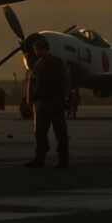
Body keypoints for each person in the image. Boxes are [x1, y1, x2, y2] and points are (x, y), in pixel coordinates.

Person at [27, 37, 72, 168]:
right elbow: (33, 80)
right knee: (40, 133)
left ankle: (63, 160)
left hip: (54, 103)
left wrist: (63, 100)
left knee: (60, 133)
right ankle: (40, 157)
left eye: (37, 49)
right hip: (43, 104)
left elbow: (63, 83)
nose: (36, 52)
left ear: (44, 48)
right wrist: (32, 99)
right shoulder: (39, 63)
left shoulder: (56, 63)